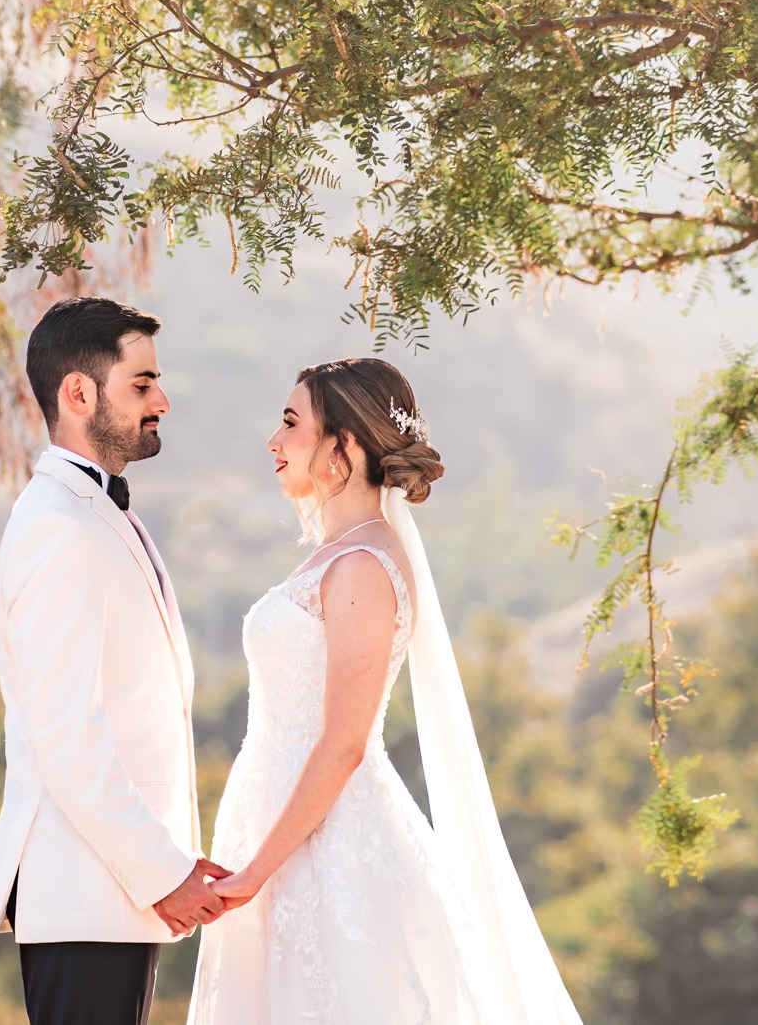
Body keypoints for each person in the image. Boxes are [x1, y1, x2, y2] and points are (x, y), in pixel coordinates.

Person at [188, 358, 586, 1024]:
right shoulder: (336, 552)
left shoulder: (362, 566)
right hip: (279, 831)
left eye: (291, 423)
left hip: (325, 845)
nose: (273, 440)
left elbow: (343, 742)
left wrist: (257, 871)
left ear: (341, 447)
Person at [0, 297, 229, 1025]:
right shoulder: (58, 526)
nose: (161, 400)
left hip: (106, 896)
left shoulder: (96, 513)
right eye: (142, 382)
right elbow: (68, 733)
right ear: (79, 393)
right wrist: (163, 871)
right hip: (85, 890)